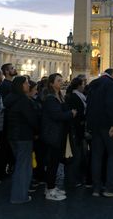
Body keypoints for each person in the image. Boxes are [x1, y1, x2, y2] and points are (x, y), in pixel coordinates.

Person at [85, 68, 113, 197]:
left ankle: (96, 188)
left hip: (94, 125)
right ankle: (110, 188)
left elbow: (88, 104)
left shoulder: (94, 83)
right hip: (107, 125)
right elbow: (110, 104)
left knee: (96, 155)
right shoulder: (111, 84)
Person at [41, 73, 77, 201]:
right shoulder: (51, 98)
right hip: (53, 134)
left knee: (55, 163)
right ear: (51, 83)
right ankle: (49, 190)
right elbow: (57, 115)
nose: (61, 82)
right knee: (52, 163)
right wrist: (70, 114)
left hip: (59, 133)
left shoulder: (59, 96)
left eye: (62, 80)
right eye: (58, 80)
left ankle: (52, 186)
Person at [4, 76, 38, 204]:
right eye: (26, 83)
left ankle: (19, 192)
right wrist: (37, 130)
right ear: (20, 85)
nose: (28, 85)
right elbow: (31, 119)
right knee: (23, 167)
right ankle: (19, 196)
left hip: (13, 135)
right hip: (24, 136)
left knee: (19, 165)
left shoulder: (10, 99)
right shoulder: (23, 100)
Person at [64, 77, 87, 189]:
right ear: (78, 86)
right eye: (83, 84)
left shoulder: (79, 96)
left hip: (78, 129)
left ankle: (76, 177)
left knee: (78, 154)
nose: (85, 86)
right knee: (74, 155)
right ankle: (72, 179)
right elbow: (75, 113)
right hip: (75, 129)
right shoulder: (74, 97)